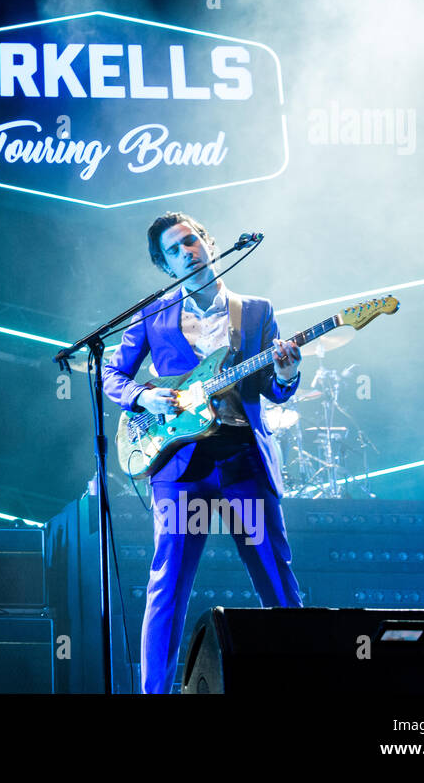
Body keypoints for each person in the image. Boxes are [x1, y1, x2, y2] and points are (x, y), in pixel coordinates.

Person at [101, 212, 302, 694]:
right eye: (174, 250)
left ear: (209, 243)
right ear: (165, 266)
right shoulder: (153, 315)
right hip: (180, 465)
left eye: (191, 240)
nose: (186, 251)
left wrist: (288, 372)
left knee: (277, 582)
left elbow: (274, 391)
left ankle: (302, 678)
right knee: (167, 587)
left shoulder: (255, 310)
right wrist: (144, 396)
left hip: (243, 461)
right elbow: (112, 375)